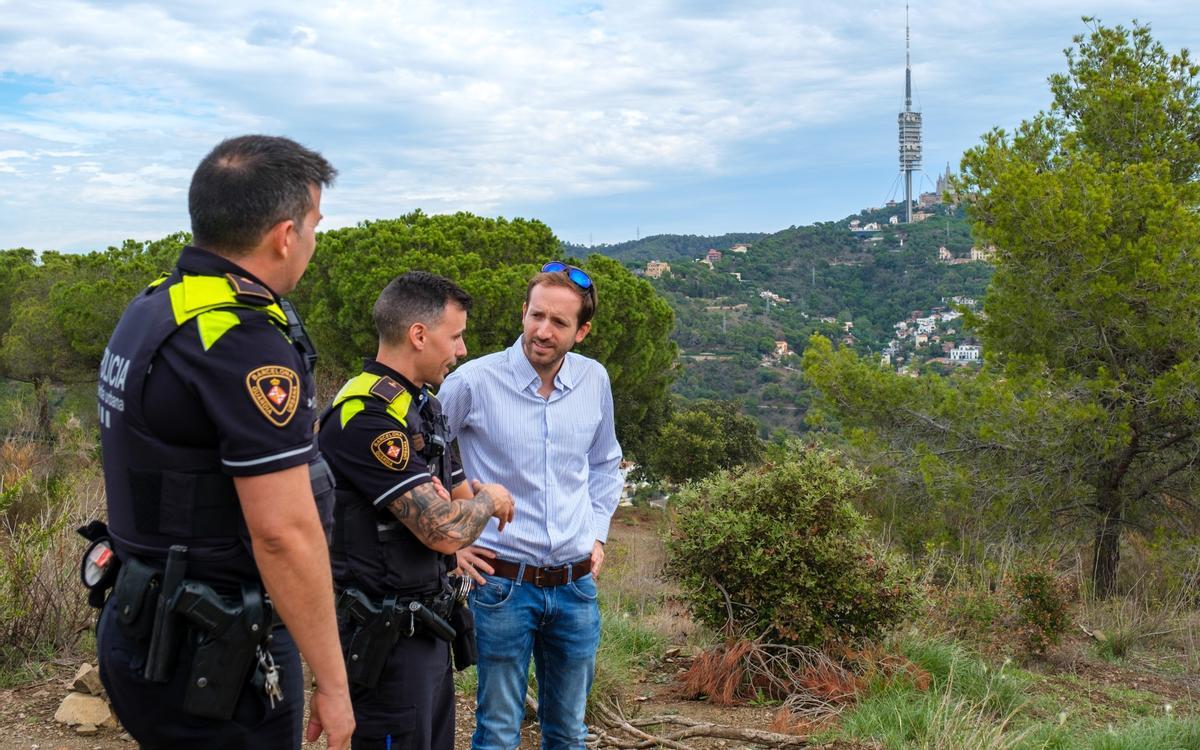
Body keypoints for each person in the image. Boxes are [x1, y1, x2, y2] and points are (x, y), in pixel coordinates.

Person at [91, 135, 354, 749]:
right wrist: (336, 684)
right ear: (285, 235)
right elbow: (282, 534)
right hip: (213, 650)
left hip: (142, 619)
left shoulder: (157, 306)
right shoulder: (241, 341)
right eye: (315, 224)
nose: (314, 241)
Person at [317, 271, 515, 750]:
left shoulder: (420, 406)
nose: (462, 350)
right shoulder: (367, 417)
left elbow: (455, 498)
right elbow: (448, 528)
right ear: (419, 335)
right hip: (382, 642)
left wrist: (463, 513)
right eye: (456, 336)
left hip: (426, 626)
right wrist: (491, 501)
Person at [438, 262, 624, 750]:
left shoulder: (594, 381)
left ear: (581, 331)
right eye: (536, 315)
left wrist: (599, 534)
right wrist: (450, 546)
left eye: (559, 322)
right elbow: (423, 460)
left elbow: (606, 464)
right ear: (523, 311)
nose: (543, 331)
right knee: (498, 731)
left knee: (568, 733)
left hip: (576, 587)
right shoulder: (472, 382)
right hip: (500, 585)